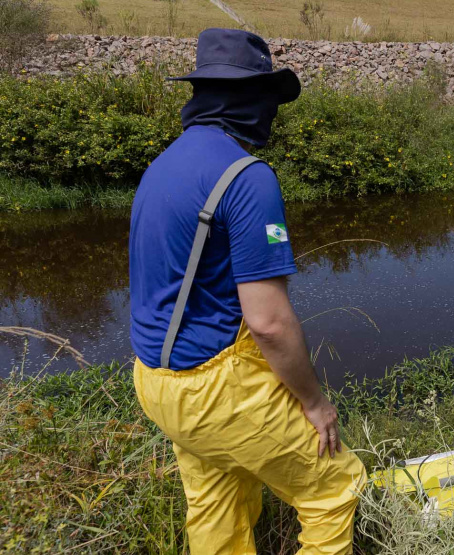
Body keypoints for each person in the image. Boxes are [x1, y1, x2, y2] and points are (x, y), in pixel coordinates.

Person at [129, 29, 366, 555]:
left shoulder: (160, 167)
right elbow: (269, 323)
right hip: (217, 392)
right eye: (269, 99)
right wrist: (314, 402)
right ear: (250, 99)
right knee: (334, 488)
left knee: (216, 503)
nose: (271, 114)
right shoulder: (246, 177)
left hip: (155, 384)